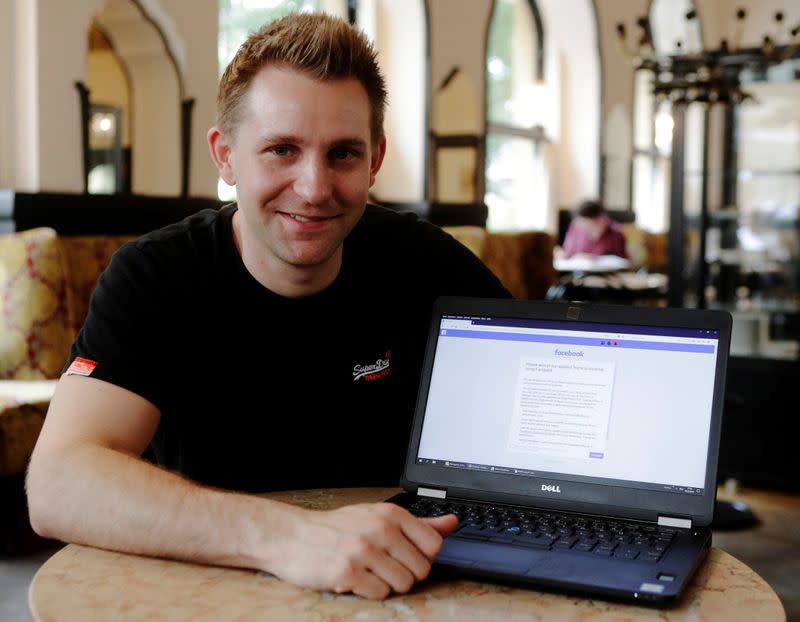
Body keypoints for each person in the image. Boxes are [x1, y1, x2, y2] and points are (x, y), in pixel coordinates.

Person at [26, 13, 510, 601]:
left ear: (375, 159)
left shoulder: (429, 265)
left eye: (342, 155)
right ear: (225, 157)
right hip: (208, 589)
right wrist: (292, 540)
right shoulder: (157, 275)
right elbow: (57, 483)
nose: (313, 188)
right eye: (282, 149)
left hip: (400, 588)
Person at [559, 199, 628, 259]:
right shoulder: (575, 228)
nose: (584, 228)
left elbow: (623, 260)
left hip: (606, 272)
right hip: (577, 271)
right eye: (581, 224)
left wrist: (594, 258)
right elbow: (568, 252)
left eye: (588, 225)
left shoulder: (616, 234)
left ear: (600, 219)